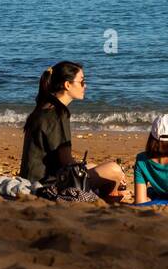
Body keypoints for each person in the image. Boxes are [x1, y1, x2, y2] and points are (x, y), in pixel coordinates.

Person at [20, 61, 127, 202]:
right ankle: (111, 197)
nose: (85, 86)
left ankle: (109, 195)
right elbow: (65, 161)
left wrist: (83, 167)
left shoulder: (44, 106)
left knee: (93, 166)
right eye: (82, 82)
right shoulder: (59, 113)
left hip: (33, 179)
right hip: (47, 185)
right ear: (67, 85)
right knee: (115, 170)